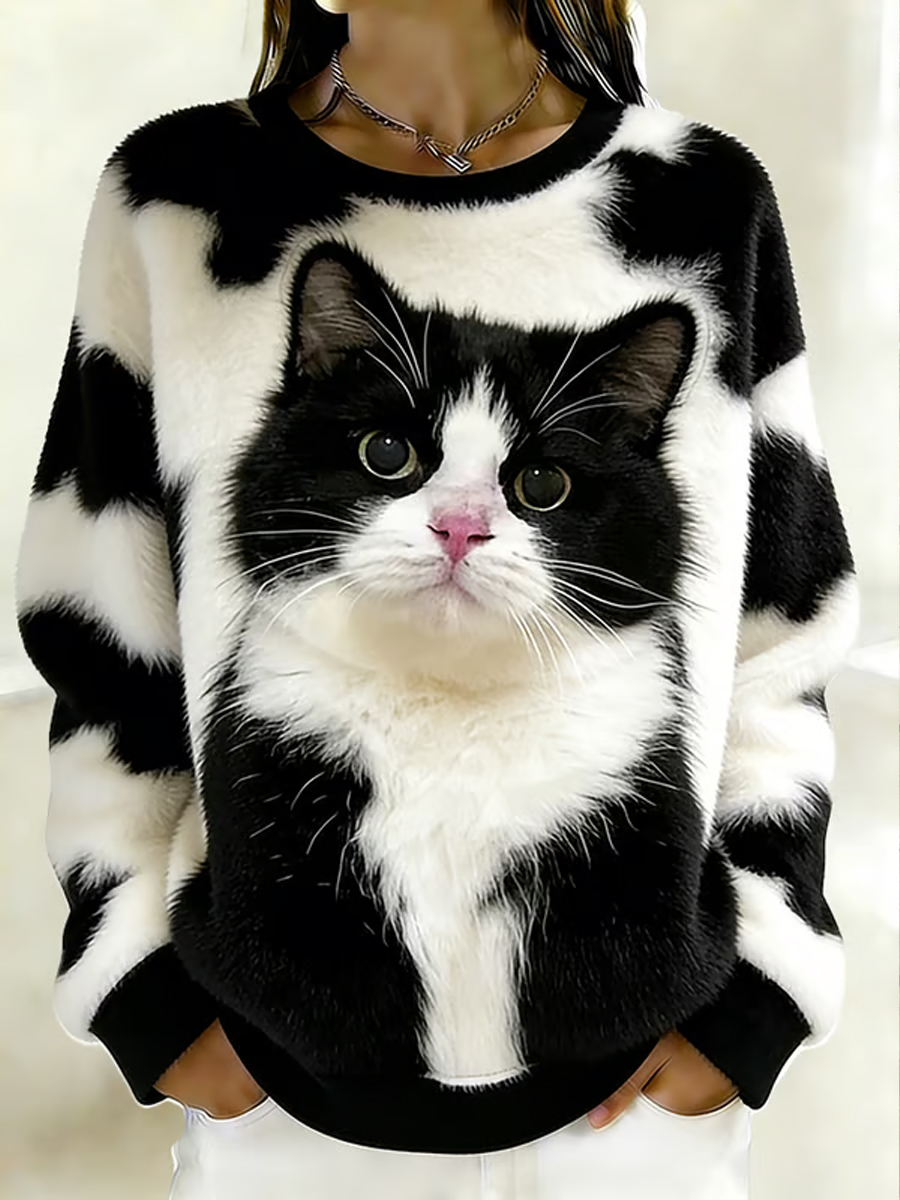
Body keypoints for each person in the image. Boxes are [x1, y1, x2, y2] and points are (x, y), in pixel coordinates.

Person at [14, 0, 860, 1197]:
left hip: (636, 1104)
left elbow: (782, 633)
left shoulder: (701, 200)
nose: (459, 526)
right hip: (282, 1085)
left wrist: (759, 995)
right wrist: (142, 994)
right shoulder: (182, 196)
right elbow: (103, 629)